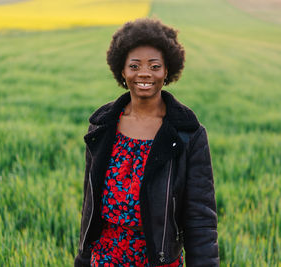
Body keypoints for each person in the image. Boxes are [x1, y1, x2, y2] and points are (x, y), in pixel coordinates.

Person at [74, 18, 219, 267]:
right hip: (105, 258)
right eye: (134, 65)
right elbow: (90, 204)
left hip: (158, 261)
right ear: (122, 70)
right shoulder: (102, 126)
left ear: (167, 71)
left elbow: (200, 218)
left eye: (154, 66)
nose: (144, 73)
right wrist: (83, 259)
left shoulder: (187, 134)